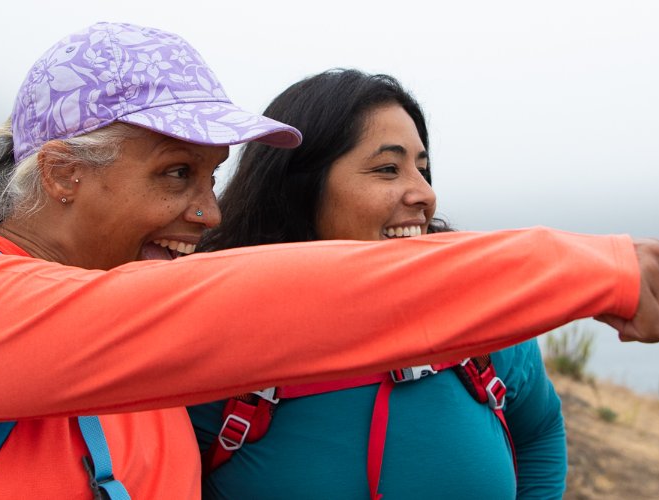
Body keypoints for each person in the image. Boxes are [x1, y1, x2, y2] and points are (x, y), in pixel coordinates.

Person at [0, 22, 659, 499]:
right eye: (177, 176)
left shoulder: (139, 340)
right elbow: (266, 309)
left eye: (214, 178)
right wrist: (581, 265)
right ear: (63, 174)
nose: (207, 212)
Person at [190, 69, 565, 499]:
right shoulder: (214, 339)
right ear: (300, 186)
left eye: (422, 170)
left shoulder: (481, 312)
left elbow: (539, 430)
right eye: (388, 169)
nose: (424, 194)